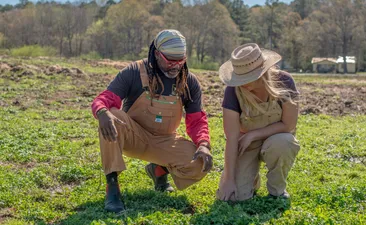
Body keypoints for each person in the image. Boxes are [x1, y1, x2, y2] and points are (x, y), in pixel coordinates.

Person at [91, 29, 213, 213]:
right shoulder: (134, 72)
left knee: (199, 164)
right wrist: (101, 111)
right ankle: (113, 188)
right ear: (156, 53)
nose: (176, 66)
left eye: (181, 60)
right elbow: (104, 99)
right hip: (134, 137)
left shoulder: (189, 82)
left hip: (165, 141)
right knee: (112, 115)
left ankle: (158, 170)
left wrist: (203, 144)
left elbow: (196, 121)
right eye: (170, 60)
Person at [216, 43, 300, 201]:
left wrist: (254, 134)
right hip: (246, 144)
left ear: (262, 72)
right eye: (240, 78)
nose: (242, 83)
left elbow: (289, 125)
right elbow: (232, 138)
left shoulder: (285, 81)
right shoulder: (232, 91)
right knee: (233, 197)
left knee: (284, 142)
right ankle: (251, 178)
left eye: (248, 78)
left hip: (276, 139)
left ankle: (277, 191)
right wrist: (228, 180)